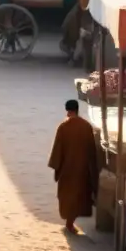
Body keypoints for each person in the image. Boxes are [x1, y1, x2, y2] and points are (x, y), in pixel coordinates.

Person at [48, 100, 97, 235]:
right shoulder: (86, 126)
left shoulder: (63, 127)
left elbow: (57, 150)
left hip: (67, 170)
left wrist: (56, 167)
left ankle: (69, 223)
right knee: (80, 197)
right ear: (77, 109)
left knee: (67, 196)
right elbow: (92, 150)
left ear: (67, 110)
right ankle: (70, 222)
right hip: (82, 170)